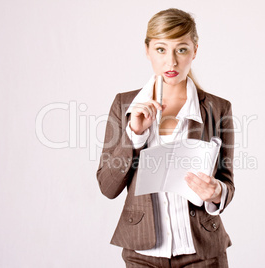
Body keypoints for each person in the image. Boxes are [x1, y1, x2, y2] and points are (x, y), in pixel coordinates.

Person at [96, 8, 235, 267]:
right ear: (147, 50)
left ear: (194, 51)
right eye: (161, 49)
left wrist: (217, 192)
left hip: (203, 253)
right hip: (142, 254)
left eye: (181, 49)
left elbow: (226, 182)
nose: (171, 62)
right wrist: (134, 135)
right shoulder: (124, 104)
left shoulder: (218, 109)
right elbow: (107, 187)